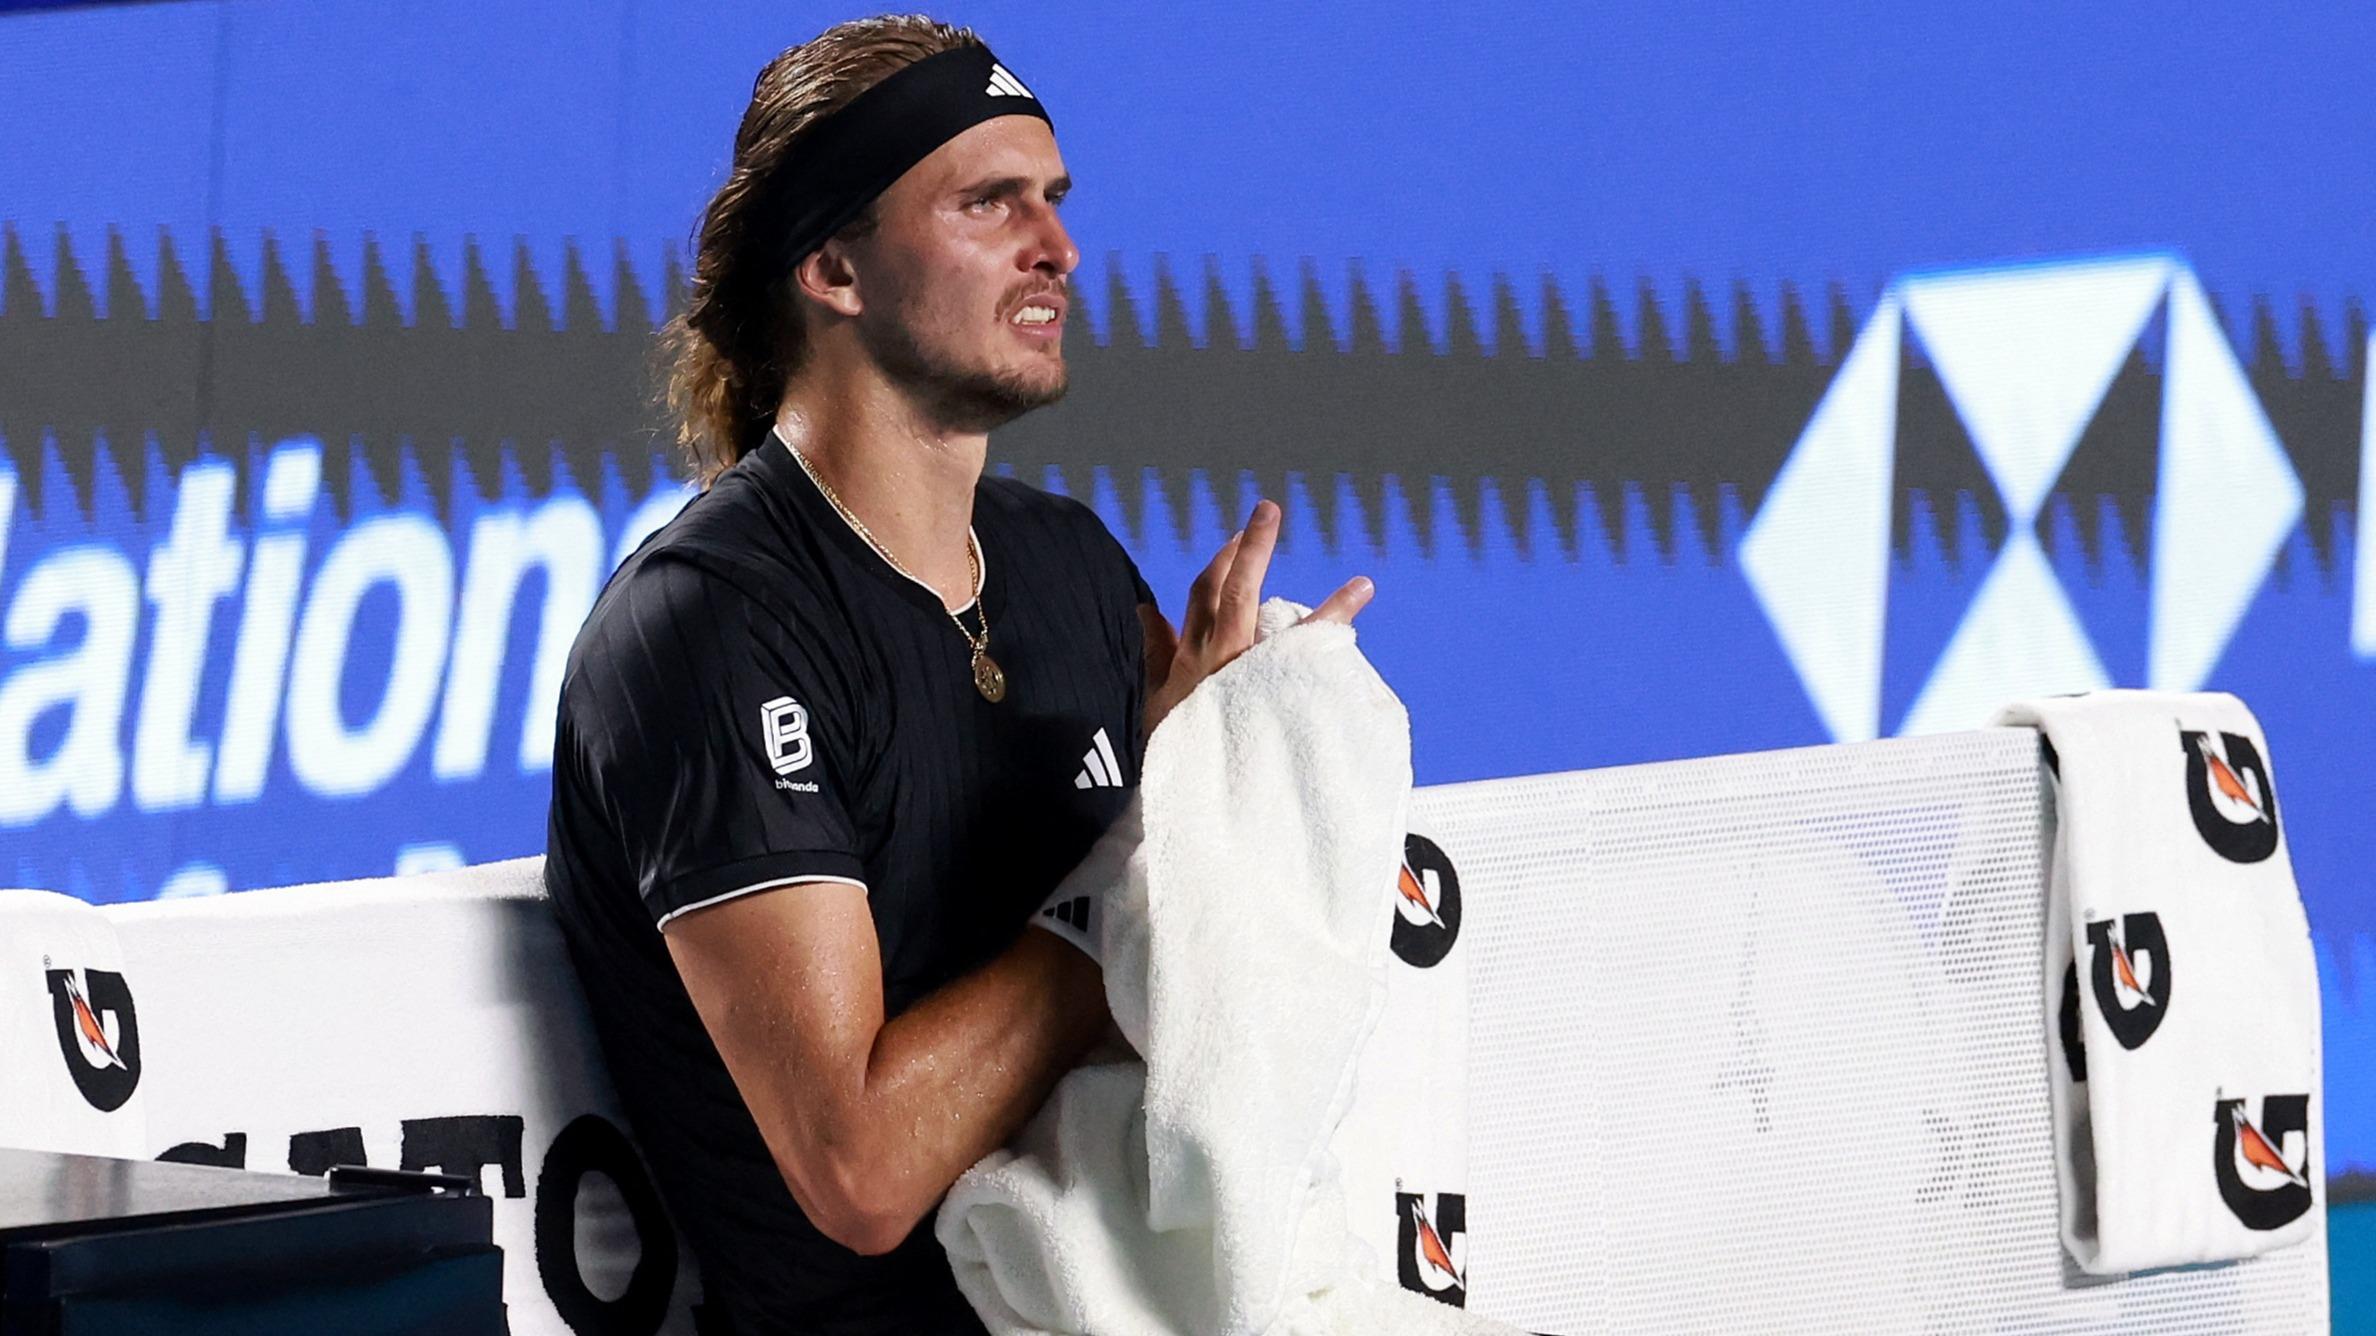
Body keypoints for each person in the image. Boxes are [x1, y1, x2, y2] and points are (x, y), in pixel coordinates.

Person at [543, 17, 1372, 1334]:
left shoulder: (1071, 566)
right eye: (991, 203)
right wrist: (1150, 858)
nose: (1059, 248)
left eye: (1054, 200)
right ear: (833, 266)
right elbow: (860, 1169)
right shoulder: (708, 629)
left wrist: (1239, 766)